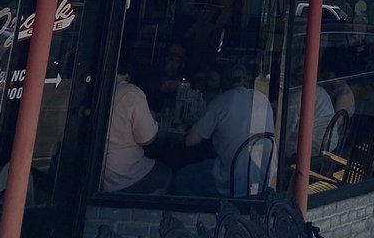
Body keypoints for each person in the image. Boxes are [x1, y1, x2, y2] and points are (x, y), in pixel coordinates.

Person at [174, 64, 275, 197]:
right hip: (265, 179)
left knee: (182, 177)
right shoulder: (262, 99)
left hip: (232, 181)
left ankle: (200, 215)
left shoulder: (220, 101)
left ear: (223, 81)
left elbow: (190, 141)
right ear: (246, 80)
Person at [102, 52, 172, 195]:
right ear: (127, 73)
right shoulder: (131, 93)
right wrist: (152, 119)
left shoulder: (97, 86)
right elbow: (146, 139)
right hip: (122, 175)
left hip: (97, 172)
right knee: (167, 173)